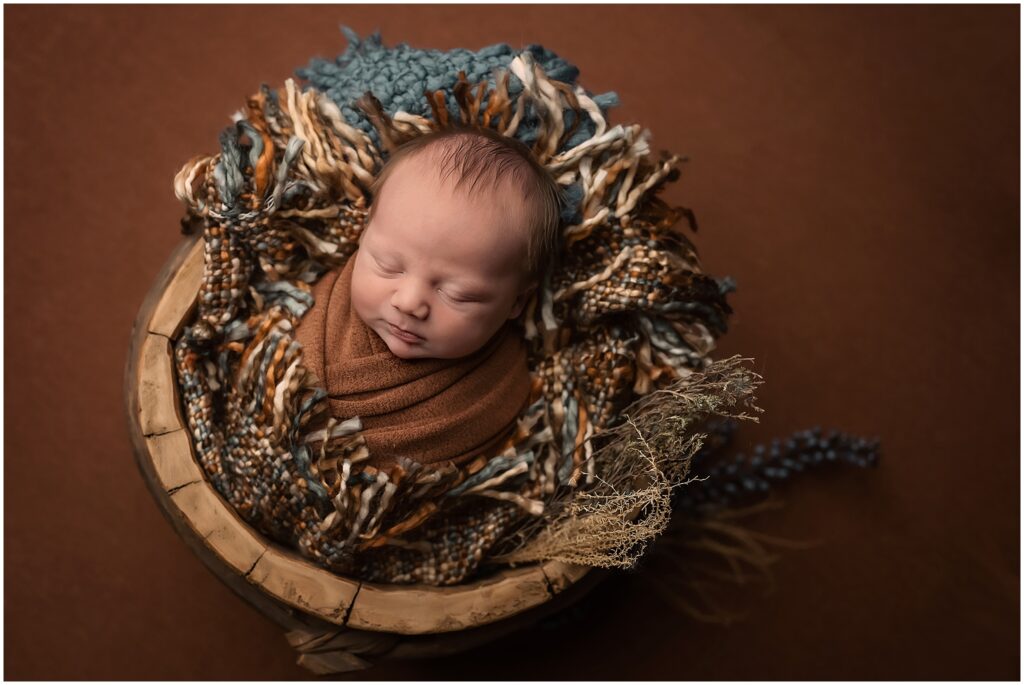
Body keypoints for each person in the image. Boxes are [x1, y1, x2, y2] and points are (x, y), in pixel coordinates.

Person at [295, 126, 563, 469]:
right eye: (387, 265)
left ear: (516, 303)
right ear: (362, 235)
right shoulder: (312, 301)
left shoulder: (496, 395)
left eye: (457, 294)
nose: (408, 303)